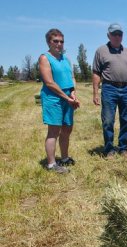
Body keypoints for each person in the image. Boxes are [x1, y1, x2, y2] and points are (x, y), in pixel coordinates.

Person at [92, 23, 127, 158]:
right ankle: (109, 149)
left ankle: (123, 148)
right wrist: (95, 93)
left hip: (125, 89)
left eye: (120, 34)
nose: (117, 37)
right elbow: (96, 73)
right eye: (114, 34)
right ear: (109, 35)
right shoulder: (101, 51)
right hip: (109, 88)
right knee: (108, 120)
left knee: (126, 120)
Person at [39, 28, 80, 173]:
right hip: (53, 98)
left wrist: (73, 93)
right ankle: (51, 164)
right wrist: (67, 97)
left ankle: (64, 158)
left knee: (67, 129)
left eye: (61, 41)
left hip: (68, 98)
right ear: (48, 42)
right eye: (55, 41)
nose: (59, 44)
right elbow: (49, 82)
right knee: (54, 131)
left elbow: (72, 78)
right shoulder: (45, 58)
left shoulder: (66, 59)